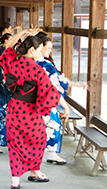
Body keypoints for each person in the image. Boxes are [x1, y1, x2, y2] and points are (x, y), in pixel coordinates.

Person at [0, 35, 70, 189]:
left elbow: (7, 50)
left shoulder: (13, 62)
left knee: (15, 143)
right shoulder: (37, 69)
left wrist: (21, 32)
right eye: (39, 50)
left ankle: (15, 180)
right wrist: (65, 106)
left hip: (14, 109)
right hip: (29, 112)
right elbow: (51, 91)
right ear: (31, 50)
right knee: (39, 139)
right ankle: (34, 171)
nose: (41, 53)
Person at [36, 34, 87, 164]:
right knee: (54, 125)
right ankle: (51, 154)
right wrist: (76, 84)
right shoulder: (45, 64)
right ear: (40, 47)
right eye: (48, 48)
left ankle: (44, 154)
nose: (50, 50)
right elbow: (58, 83)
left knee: (39, 127)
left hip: (31, 101)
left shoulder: (29, 62)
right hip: (45, 102)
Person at [0, 33, 12, 109]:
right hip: (3, 69)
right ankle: (4, 105)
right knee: (4, 88)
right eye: (10, 39)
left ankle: (2, 104)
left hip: (1, 69)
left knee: (2, 86)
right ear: (6, 40)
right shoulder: (3, 50)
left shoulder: (0, 48)